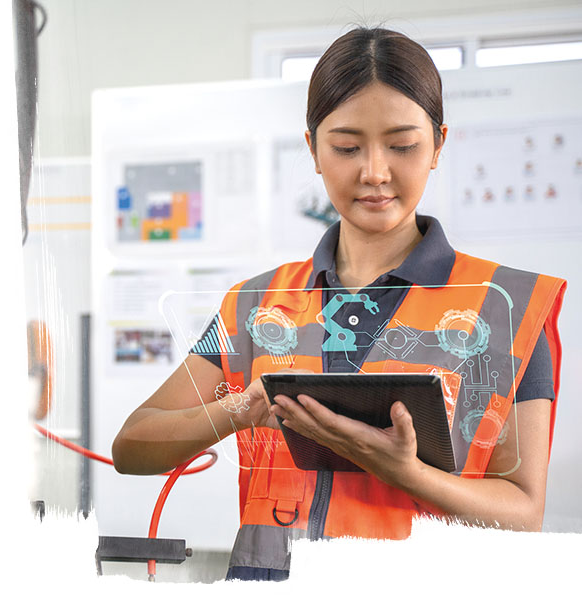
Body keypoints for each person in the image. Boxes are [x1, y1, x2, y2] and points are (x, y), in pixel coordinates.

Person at [111, 27, 566, 582]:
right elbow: (132, 446)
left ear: (439, 145)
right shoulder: (255, 308)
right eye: (347, 147)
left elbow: (524, 514)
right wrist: (239, 410)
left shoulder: (508, 308)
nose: (375, 172)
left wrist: (403, 471)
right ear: (313, 150)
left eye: (402, 145)